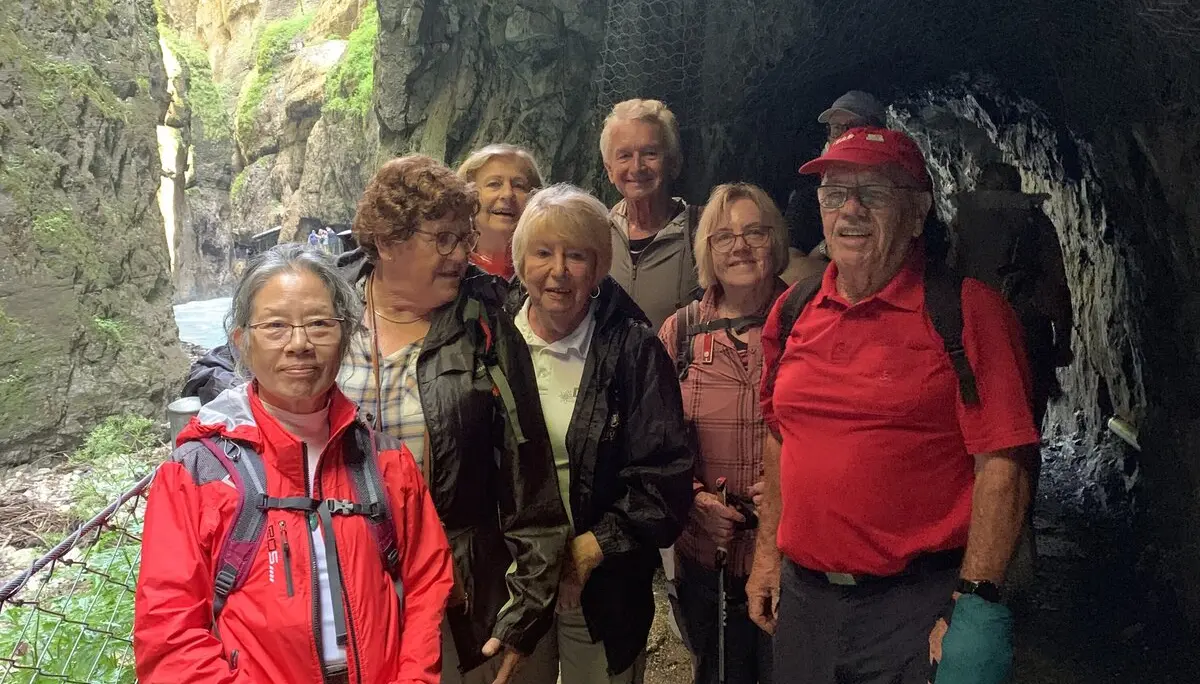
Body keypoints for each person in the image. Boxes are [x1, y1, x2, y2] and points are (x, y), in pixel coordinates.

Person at [746, 127, 1040, 684]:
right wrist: (767, 554)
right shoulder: (793, 311)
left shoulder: (968, 314)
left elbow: (1004, 461)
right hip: (806, 603)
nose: (850, 210)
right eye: (834, 194)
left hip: (916, 604)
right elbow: (780, 435)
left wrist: (974, 600)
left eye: (874, 193)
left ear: (917, 210)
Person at [135, 244, 454, 684]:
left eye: (320, 324)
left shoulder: (386, 462)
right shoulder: (195, 475)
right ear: (241, 342)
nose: (300, 344)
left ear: (345, 337)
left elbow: (425, 583)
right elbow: (169, 634)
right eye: (276, 326)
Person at [336, 155, 570, 684]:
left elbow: (527, 472)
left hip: (456, 583)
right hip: (343, 578)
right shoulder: (327, 314)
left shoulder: (483, 325)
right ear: (390, 241)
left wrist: (526, 606)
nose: (462, 254)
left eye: (464, 238)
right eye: (443, 239)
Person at [504, 184, 694, 682]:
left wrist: (589, 549)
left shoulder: (634, 349)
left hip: (602, 580)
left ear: (600, 266)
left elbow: (664, 478)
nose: (558, 270)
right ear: (521, 260)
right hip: (513, 576)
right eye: (543, 252)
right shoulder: (493, 339)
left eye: (577, 255)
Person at [658, 183, 789, 684]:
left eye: (755, 232)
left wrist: (790, 489)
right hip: (705, 554)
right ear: (706, 251)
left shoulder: (809, 321)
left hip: (791, 554)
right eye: (724, 236)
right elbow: (654, 442)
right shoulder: (682, 332)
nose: (740, 246)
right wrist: (690, 499)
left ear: (776, 241)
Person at [950, 161, 1074, 428]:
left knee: (980, 422)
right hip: (1028, 331)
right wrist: (1063, 343)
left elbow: (946, 279)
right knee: (1028, 421)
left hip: (974, 334)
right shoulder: (1034, 222)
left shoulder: (964, 221)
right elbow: (1056, 286)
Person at [602, 98, 701, 331]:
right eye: (624, 156)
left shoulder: (702, 233)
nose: (637, 167)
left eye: (650, 153)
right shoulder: (596, 235)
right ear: (609, 170)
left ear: (674, 164)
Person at [784, 90, 886, 256]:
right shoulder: (807, 199)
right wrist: (826, 248)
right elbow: (790, 267)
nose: (844, 136)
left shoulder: (902, 191)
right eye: (836, 128)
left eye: (854, 127)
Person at [457, 143, 544, 280]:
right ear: (468, 195)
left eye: (519, 186)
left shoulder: (545, 268)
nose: (508, 194)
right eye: (494, 184)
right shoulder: (449, 265)